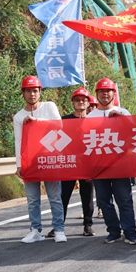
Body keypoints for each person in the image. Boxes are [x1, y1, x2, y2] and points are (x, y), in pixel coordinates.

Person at [14, 75, 66, 244]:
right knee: (32, 199)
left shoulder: (49, 106)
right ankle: (35, 230)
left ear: (40, 92)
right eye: (28, 91)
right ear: (23, 93)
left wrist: (36, 121)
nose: (32, 94)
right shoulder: (19, 116)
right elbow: (18, 141)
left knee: (55, 197)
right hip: (30, 161)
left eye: (35, 91)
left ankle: (59, 229)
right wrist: (19, 164)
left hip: (50, 158)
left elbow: (59, 125)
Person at [87, 78, 136, 245]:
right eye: (101, 91)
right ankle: (113, 231)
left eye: (108, 91)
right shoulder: (90, 117)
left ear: (113, 93)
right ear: (97, 94)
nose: (105, 94)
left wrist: (121, 118)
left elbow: (135, 134)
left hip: (120, 165)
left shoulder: (123, 112)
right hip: (99, 167)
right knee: (104, 201)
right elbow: (84, 142)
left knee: (124, 200)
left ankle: (130, 233)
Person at [57, 86, 95, 237]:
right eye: (77, 100)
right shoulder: (64, 120)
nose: (80, 102)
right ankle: (58, 226)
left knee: (87, 196)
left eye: (83, 100)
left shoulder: (94, 121)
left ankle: (88, 225)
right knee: (63, 196)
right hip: (69, 163)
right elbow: (56, 138)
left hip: (87, 164)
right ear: (72, 102)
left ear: (88, 103)